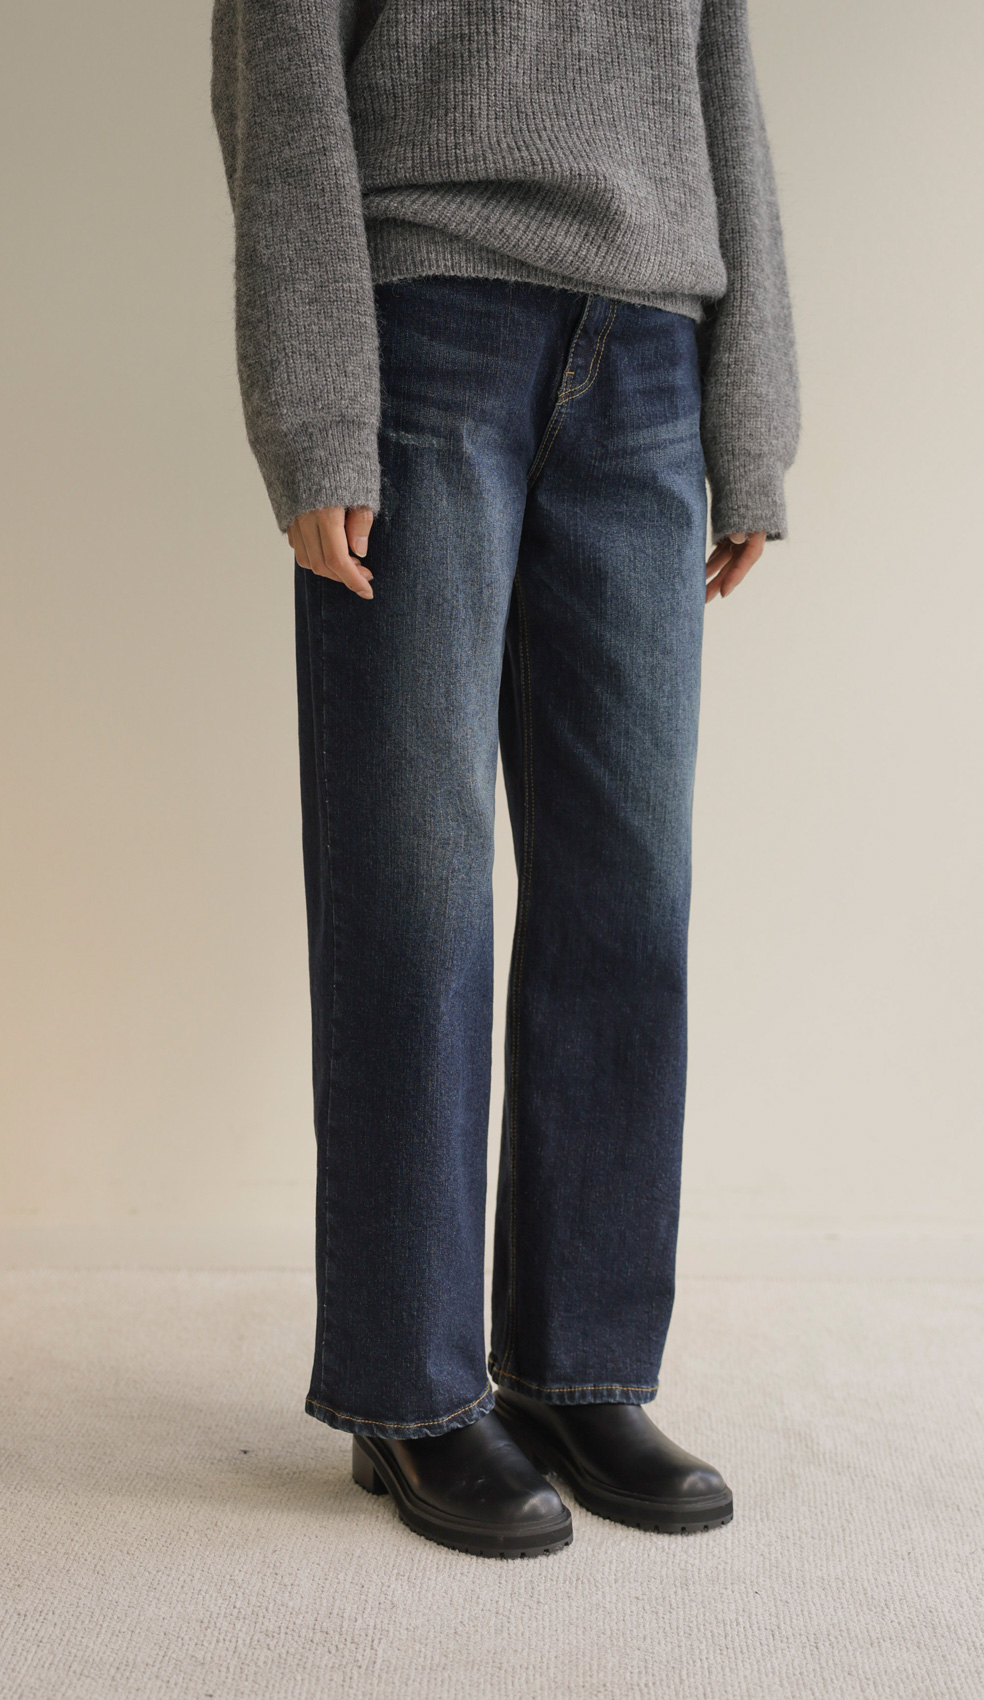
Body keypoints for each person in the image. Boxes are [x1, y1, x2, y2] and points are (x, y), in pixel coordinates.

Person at [211, 0, 798, 1558]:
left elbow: (720, 74)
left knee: (630, 894)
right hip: (429, 328)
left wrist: (752, 417)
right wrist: (316, 410)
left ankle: (578, 1371)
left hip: (654, 351)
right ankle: (410, 1392)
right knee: (415, 891)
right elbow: (280, 87)